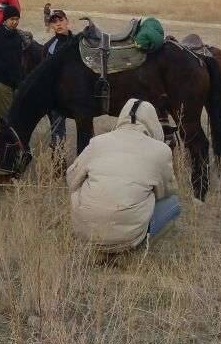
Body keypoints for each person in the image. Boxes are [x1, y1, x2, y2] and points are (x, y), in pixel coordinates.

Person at [67, 99, 180, 253]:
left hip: (86, 234)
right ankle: (135, 250)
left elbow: (71, 179)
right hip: (129, 240)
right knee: (173, 203)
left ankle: (98, 248)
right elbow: (166, 193)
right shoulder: (161, 151)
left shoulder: (97, 142)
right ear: (153, 122)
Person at [42, 9, 73, 155]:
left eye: (61, 20)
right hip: (58, 98)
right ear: (51, 26)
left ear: (67, 21)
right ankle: (58, 166)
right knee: (58, 133)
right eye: (54, 22)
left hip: (78, 96)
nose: (58, 24)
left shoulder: (78, 43)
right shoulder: (49, 46)